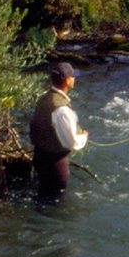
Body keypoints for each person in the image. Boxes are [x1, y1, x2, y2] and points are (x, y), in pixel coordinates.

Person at [30, 62, 88, 195]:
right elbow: (71, 142)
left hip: (39, 157)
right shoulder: (61, 109)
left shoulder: (44, 97)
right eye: (73, 76)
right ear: (67, 80)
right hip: (55, 166)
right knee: (56, 200)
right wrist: (84, 136)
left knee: (43, 195)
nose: (74, 79)